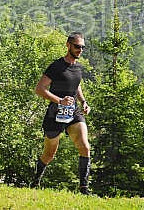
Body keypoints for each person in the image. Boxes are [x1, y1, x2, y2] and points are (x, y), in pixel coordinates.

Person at [30, 32, 92, 195]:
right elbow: (39, 89)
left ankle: (84, 189)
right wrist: (59, 100)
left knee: (84, 147)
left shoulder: (78, 67)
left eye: (82, 47)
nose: (80, 50)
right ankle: (35, 181)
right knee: (49, 154)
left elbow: (76, 85)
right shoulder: (56, 66)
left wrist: (83, 102)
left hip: (73, 112)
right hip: (55, 113)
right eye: (77, 46)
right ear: (68, 45)